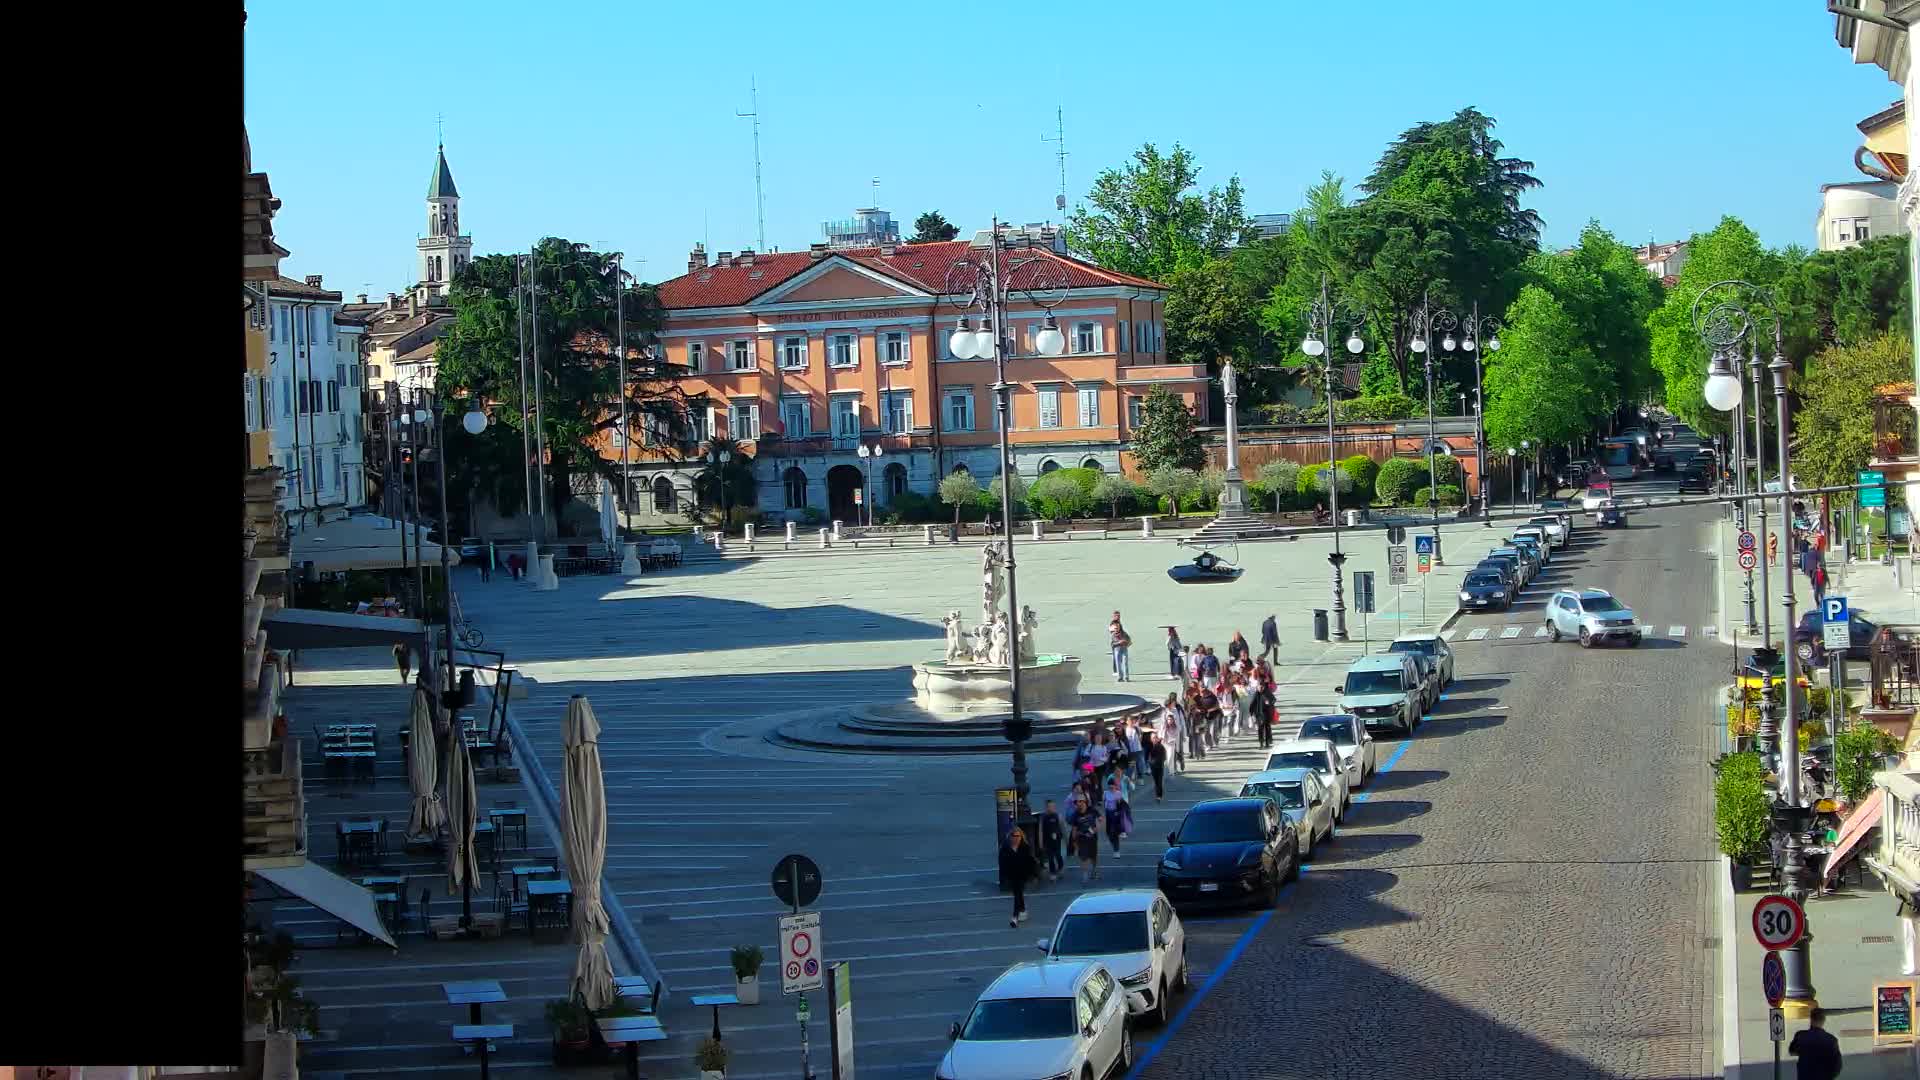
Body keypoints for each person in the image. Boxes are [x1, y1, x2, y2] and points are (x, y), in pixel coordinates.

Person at [999, 824, 1040, 928]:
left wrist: (1034, 875)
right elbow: (1002, 862)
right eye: (1014, 836)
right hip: (1012, 874)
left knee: (1017, 893)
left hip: (1022, 874)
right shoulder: (1005, 848)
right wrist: (1004, 875)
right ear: (1011, 836)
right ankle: (1022, 909)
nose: (1016, 838)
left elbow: (1031, 862)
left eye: (1018, 836)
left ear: (1021, 837)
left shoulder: (1025, 848)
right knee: (1018, 893)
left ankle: (1014, 917)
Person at [1786, 1008, 1841, 1080]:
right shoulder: (1831, 1040)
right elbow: (1837, 1065)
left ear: (1811, 1019)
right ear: (1823, 1020)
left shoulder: (1801, 1036)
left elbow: (1792, 1051)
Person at [1067, 794, 1103, 883]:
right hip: (1082, 838)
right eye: (1076, 802)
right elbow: (1074, 829)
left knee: (1093, 856)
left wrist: (1097, 827)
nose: (1078, 804)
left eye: (1080, 801)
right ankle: (1085, 874)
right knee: (1083, 857)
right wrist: (1074, 842)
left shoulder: (1092, 810)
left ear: (1084, 801)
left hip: (1092, 837)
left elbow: (1101, 819)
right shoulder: (1075, 814)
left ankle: (1094, 870)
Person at [1103, 775, 1132, 853]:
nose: (1111, 788)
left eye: (1112, 786)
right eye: (1110, 786)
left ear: (1115, 786)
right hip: (1108, 813)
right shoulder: (1105, 793)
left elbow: (1121, 805)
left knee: (1114, 832)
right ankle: (1114, 845)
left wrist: (1118, 812)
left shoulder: (1118, 793)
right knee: (1108, 832)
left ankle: (1116, 849)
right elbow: (1104, 803)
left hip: (1115, 813)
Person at [1039, 798, 1065, 881]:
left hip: (1057, 840)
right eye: (1050, 806)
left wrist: (1066, 839)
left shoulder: (1058, 816)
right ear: (1046, 807)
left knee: (1058, 855)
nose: (1052, 808)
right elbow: (1040, 830)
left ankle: (1060, 868)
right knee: (1050, 857)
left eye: (1053, 806)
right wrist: (1040, 842)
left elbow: (1062, 828)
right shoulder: (1043, 817)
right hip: (1047, 841)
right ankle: (1052, 873)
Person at [1160, 694, 1186, 773]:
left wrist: (1184, 734)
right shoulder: (1164, 712)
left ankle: (1181, 761)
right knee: (1171, 752)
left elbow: (1182, 723)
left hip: (1178, 734)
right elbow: (1162, 725)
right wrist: (1161, 735)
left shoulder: (1177, 710)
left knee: (1179, 750)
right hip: (1168, 736)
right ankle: (1173, 768)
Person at [1109, 612, 1132, 682]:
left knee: (1125, 662)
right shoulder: (1113, 634)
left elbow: (1129, 640)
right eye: (1115, 628)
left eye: (1117, 628)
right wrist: (1119, 642)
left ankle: (1126, 676)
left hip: (1124, 648)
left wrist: (1126, 643)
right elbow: (1112, 644)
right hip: (1117, 649)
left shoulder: (1124, 633)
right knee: (1118, 663)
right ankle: (1120, 676)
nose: (1116, 629)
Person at [1145, 731, 1168, 802]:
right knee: (1156, 781)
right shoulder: (1149, 746)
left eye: (1155, 738)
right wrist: (1148, 764)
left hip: (1160, 766)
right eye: (1153, 738)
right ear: (1151, 739)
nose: (1154, 739)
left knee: (1159, 781)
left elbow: (1164, 757)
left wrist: (1160, 761)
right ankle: (1158, 794)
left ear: (1157, 739)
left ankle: (1159, 796)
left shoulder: (1161, 747)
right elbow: (1146, 756)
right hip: (1152, 766)